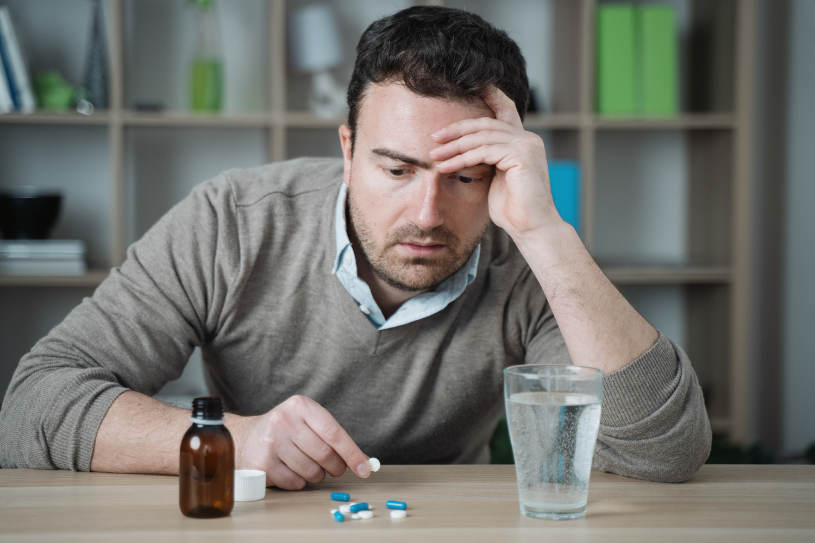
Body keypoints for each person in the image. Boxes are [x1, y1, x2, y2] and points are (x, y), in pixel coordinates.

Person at [0, 6, 711, 486]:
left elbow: (663, 452)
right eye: (396, 169)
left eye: (465, 175)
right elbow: (32, 405)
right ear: (347, 149)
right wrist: (235, 442)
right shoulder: (232, 220)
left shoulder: (527, 253)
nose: (426, 211)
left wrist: (546, 234)